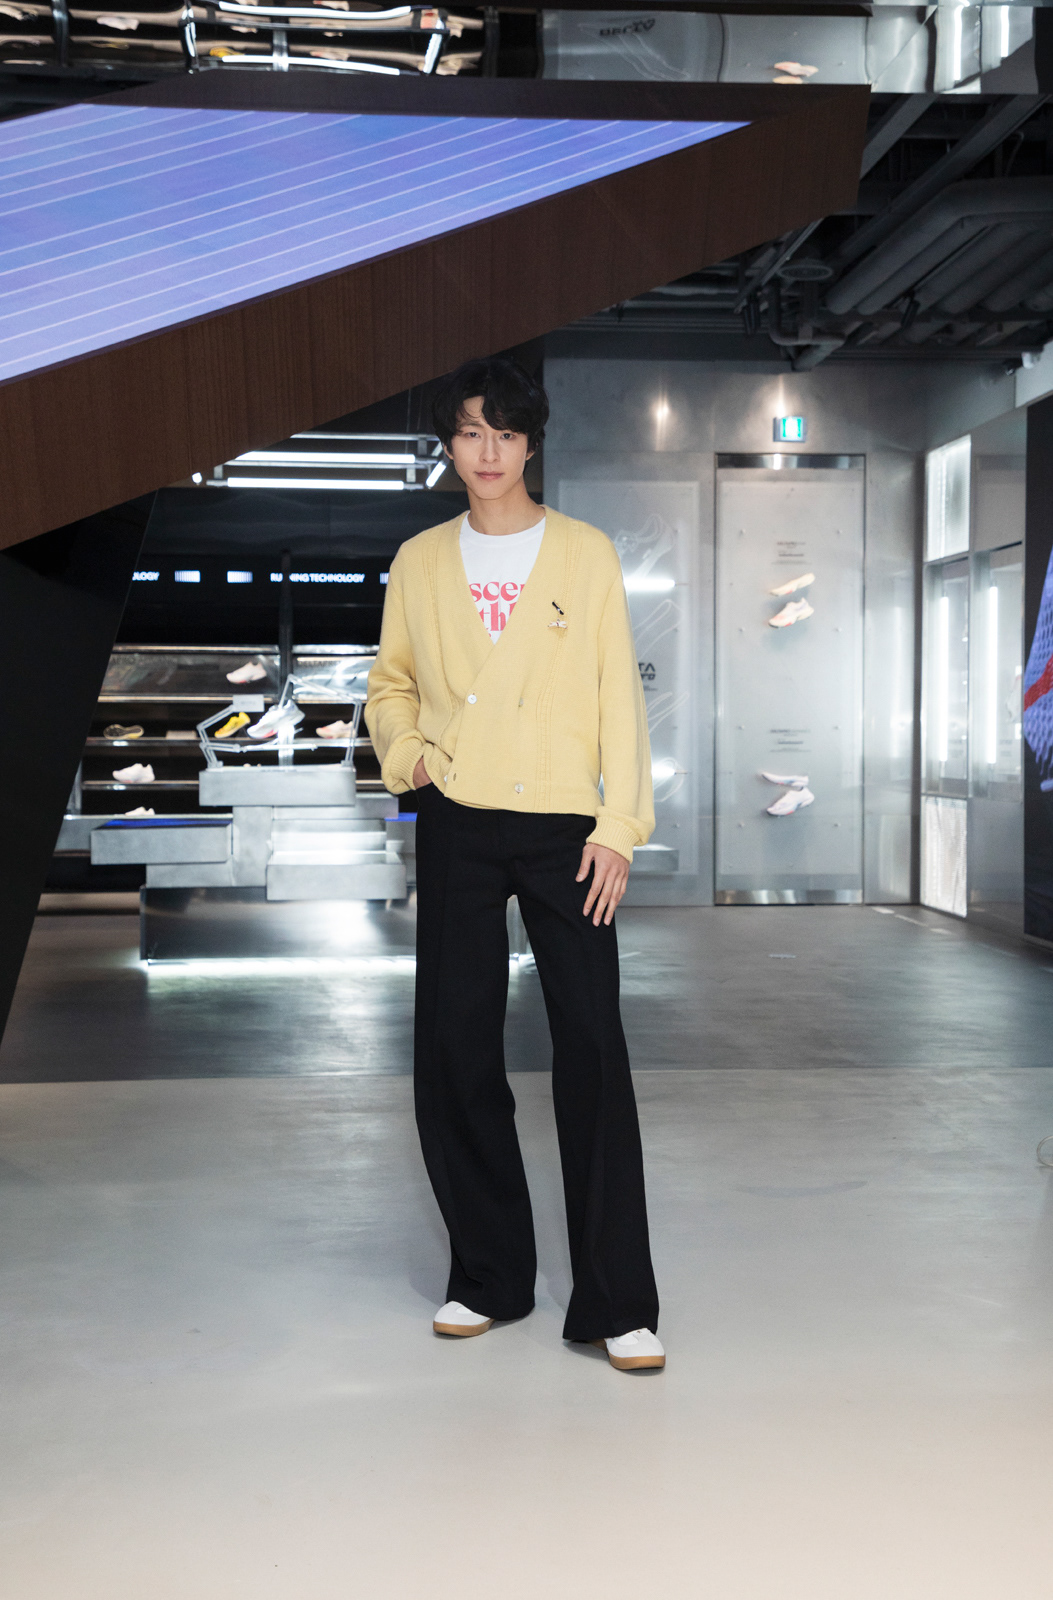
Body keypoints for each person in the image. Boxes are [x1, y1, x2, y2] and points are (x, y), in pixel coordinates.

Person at [365, 357, 664, 1373]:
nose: (487, 452)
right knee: (454, 1046)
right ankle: (488, 1275)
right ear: (448, 447)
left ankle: (617, 1300)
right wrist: (410, 759)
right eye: (468, 433)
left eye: (504, 432)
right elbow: (390, 683)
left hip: (566, 828)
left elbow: (618, 694)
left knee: (592, 1047)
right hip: (456, 816)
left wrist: (619, 825)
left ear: (532, 442)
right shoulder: (419, 560)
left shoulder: (584, 553)